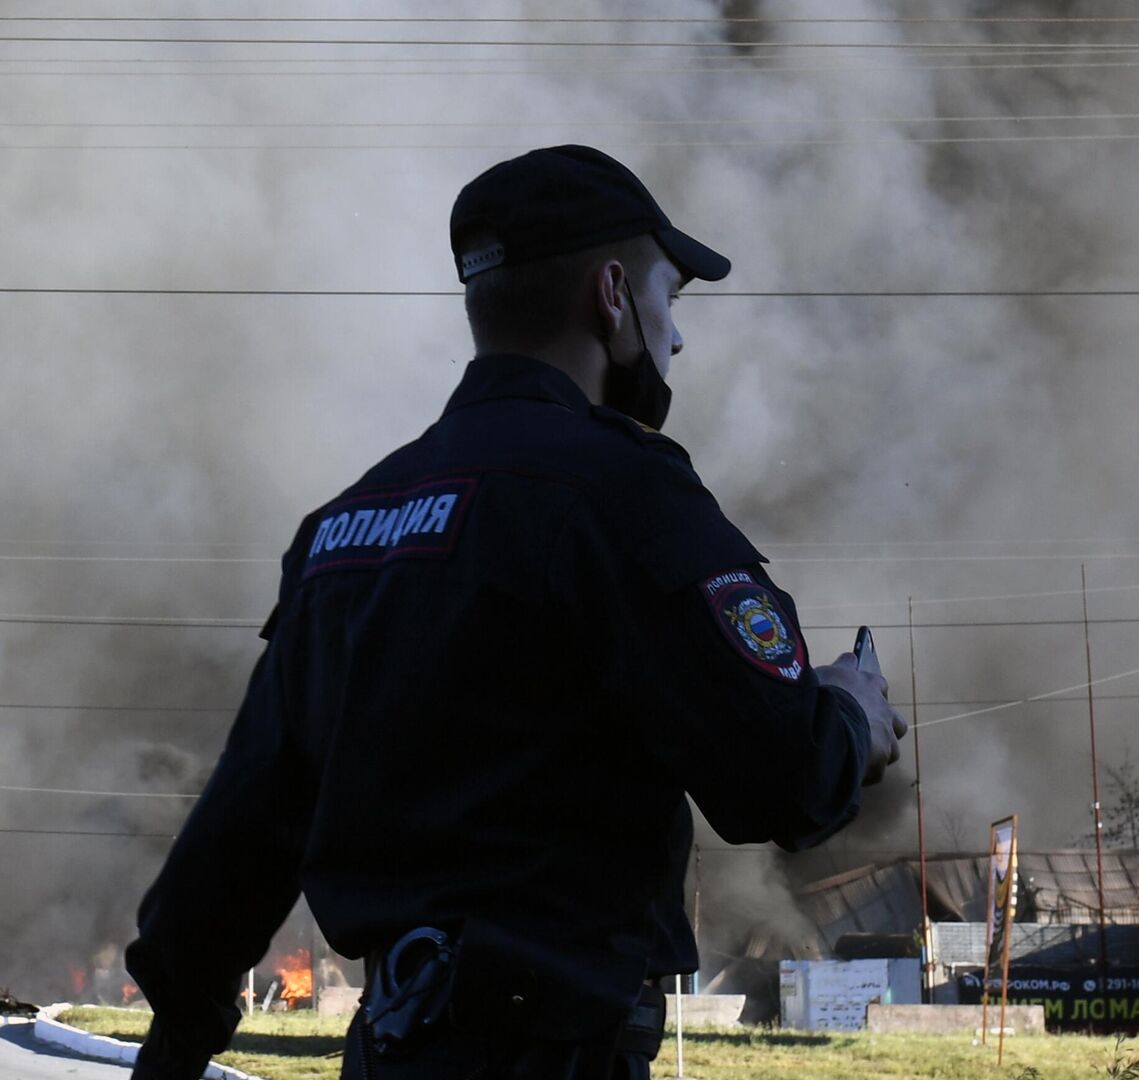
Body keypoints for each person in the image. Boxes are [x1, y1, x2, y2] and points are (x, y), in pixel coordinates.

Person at [125, 145, 906, 1079]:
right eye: (670, 298)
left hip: (390, 1051)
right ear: (613, 295)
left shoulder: (345, 529)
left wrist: (172, 1048)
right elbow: (783, 780)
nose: (677, 338)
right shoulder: (620, 493)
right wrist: (852, 713)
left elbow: (240, 837)